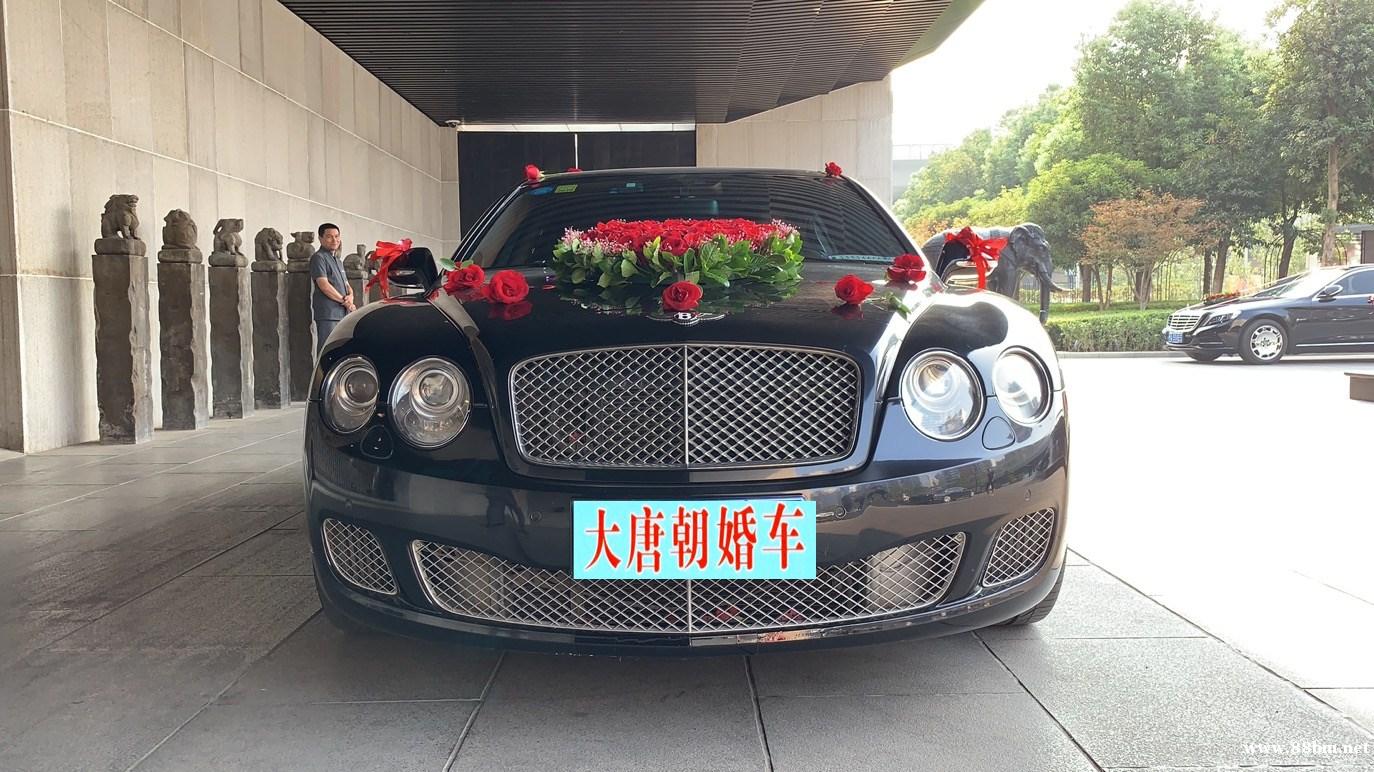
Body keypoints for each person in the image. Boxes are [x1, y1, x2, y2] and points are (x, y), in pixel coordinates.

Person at [310, 223, 354, 356]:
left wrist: (351, 296)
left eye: (337, 236)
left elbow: (347, 285)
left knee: (340, 351)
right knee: (327, 350)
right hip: (328, 314)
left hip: (343, 313)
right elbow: (324, 285)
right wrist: (344, 301)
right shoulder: (318, 258)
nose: (334, 240)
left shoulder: (338, 261)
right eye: (329, 237)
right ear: (320, 239)